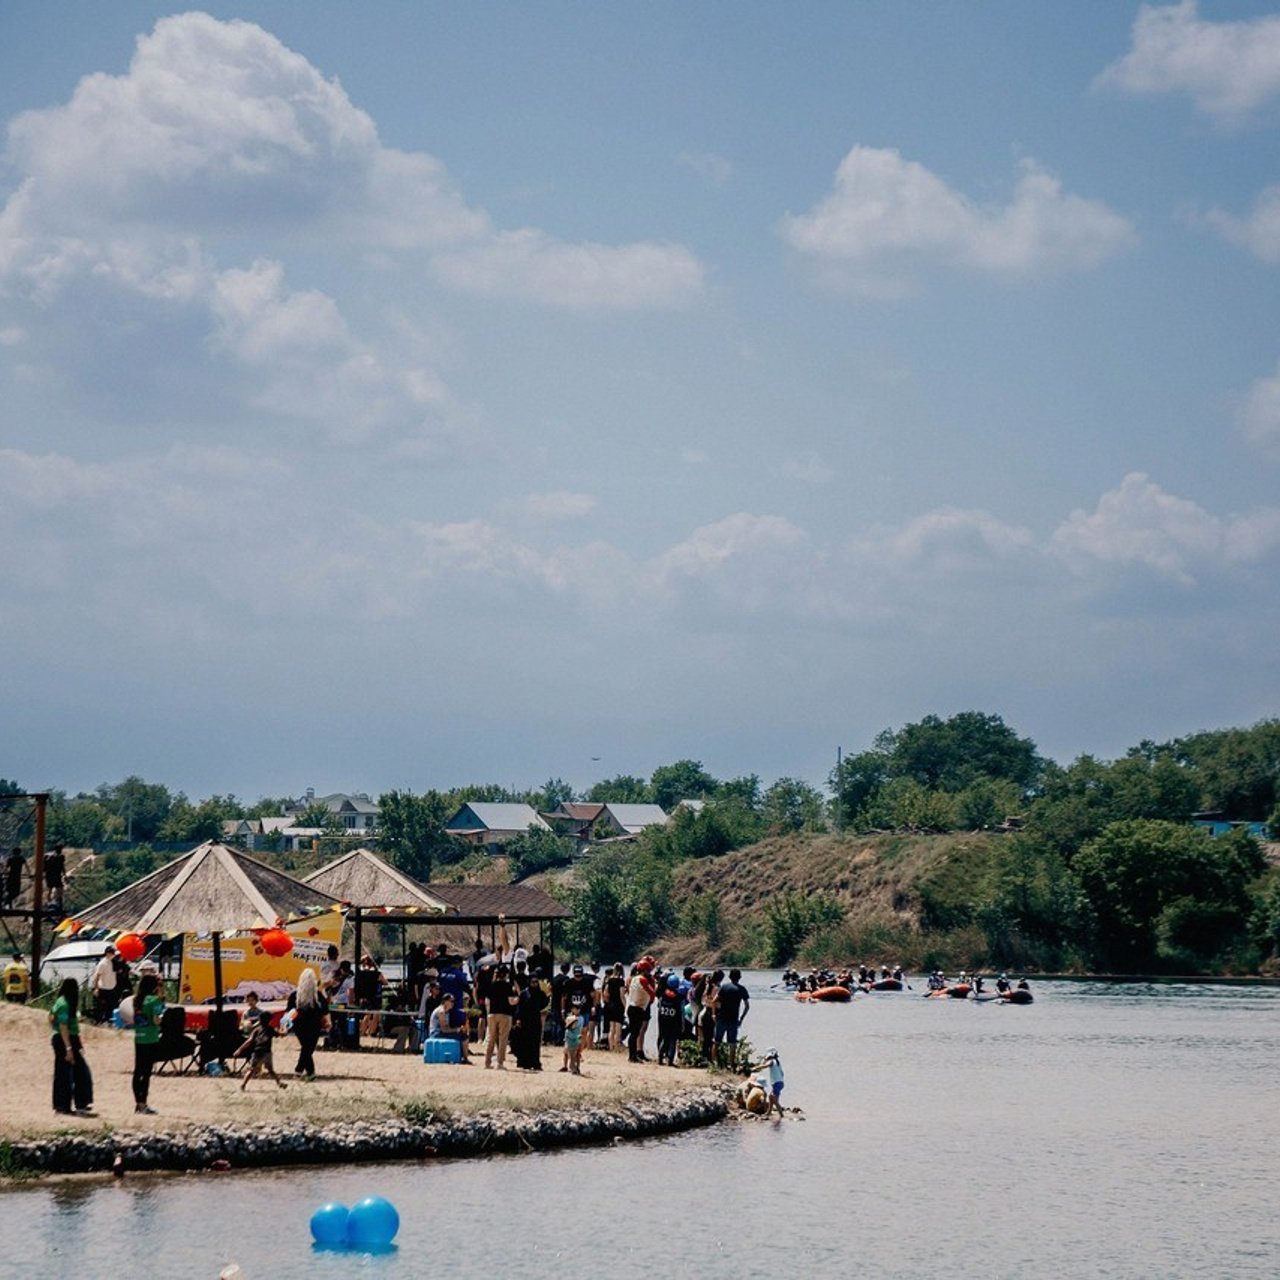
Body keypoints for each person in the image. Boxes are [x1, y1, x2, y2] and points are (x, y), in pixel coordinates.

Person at [50, 976, 94, 1115]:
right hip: (65, 1040)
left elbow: (51, 1019)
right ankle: (70, 1105)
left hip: (68, 1039)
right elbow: (63, 1027)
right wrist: (69, 1049)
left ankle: (64, 1105)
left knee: (68, 1073)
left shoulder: (61, 1002)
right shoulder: (64, 1004)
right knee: (75, 1073)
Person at [237, 992, 287, 1091]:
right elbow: (281, 1034)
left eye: (252, 1000)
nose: (250, 1002)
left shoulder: (256, 1029)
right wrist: (284, 1029)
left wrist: (239, 1049)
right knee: (270, 1070)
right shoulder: (270, 1029)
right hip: (266, 1052)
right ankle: (279, 1082)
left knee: (252, 1069)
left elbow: (249, 1040)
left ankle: (243, 1084)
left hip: (256, 1050)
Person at [131, 972, 165, 1115]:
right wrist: (162, 1015)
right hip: (151, 1038)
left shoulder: (137, 1000)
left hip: (139, 1037)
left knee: (138, 1070)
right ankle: (143, 1103)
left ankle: (138, 1102)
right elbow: (157, 1020)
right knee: (146, 1073)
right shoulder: (154, 1001)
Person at [290, 968, 327, 1081]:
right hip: (314, 1026)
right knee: (308, 1048)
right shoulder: (318, 997)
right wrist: (328, 1023)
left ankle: (300, 1071)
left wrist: (286, 1025)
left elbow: (290, 1012)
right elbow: (325, 1011)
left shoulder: (295, 996)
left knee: (306, 1048)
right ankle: (308, 1072)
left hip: (299, 1026)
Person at [484, 962, 517, 1069]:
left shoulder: (491, 985)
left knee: (491, 1039)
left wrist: (489, 1012)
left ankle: (487, 1062)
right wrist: (518, 998)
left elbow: (487, 1001)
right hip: (505, 1014)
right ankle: (500, 1063)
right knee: (503, 1039)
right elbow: (511, 1001)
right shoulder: (508, 986)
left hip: (492, 1014)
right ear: (506, 974)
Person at [625, 961, 656, 1063]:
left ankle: (632, 1055)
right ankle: (633, 1056)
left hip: (631, 1007)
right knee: (635, 1033)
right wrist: (650, 999)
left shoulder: (634, 979)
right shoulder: (643, 980)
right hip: (638, 1009)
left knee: (633, 1033)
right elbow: (652, 992)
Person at [655, 976, 683, 1066]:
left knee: (664, 1038)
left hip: (663, 1020)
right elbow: (681, 1011)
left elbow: (659, 1006)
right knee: (672, 1041)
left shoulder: (663, 994)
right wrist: (682, 1024)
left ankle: (660, 1057)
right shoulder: (678, 997)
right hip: (674, 1021)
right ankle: (670, 1060)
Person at [91, 944, 119, 1022]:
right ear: (108, 953)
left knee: (111, 1006)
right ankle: (99, 1021)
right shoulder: (102, 963)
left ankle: (108, 1020)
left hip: (111, 987)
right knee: (101, 1006)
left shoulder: (113, 962)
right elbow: (97, 976)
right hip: (103, 988)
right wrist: (96, 988)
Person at [761, 1046, 785, 1118]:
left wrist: (756, 1067)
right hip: (778, 1083)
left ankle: (781, 1115)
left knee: (774, 1099)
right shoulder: (777, 1062)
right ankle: (769, 1112)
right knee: (771, 1097)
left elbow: (765, 1065)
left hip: (777, 1083)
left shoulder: (772, 1062)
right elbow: (782, 1073)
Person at [44, 843, 66, 910]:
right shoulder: (61, 856)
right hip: (57, 875)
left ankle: (49, 903)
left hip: (49, 875)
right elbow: (62, 866)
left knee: (50, 889)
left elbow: (44, 867)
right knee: (60, 889)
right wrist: (65, 874)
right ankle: (57, 902)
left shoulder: (47, 856)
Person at [561, 1010, 583, 1075]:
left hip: (575, 1046)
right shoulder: (568, 1031)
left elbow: (578, 1036)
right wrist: (578, 1037)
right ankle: (567, 1066)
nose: (576, 1025)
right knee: (569, 1056)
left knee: (576, 1057)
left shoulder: (577, 1030)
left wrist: (579, 1042)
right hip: (569, 1045)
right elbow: (573, 1037)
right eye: (574, 1024)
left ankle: (576, 1067)